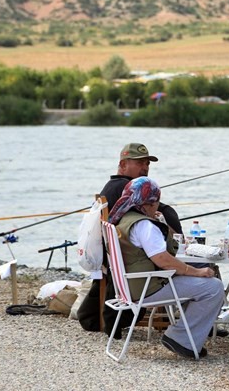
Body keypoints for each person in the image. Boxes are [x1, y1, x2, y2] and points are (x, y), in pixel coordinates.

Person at [109, 176, 224, 358]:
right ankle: (181, 339)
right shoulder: (144, 225)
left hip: (129, 287)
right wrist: (197, 272)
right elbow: (163, 259)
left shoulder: (123, 220)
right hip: (147, 289)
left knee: (197, 283)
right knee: (213, 287)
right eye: (156, 203)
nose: (157, 207)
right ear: (146, 204)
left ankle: (186, 336)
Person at [77, 143, 182, 337]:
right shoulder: (124, 187)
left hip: (116, 261)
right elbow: (160, 210)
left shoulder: (115, 186)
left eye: (147, 164)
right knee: (181, 261)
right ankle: (193, 322)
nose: (145, 168)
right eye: (140, 163)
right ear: (123, 164)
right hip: (131, 264)